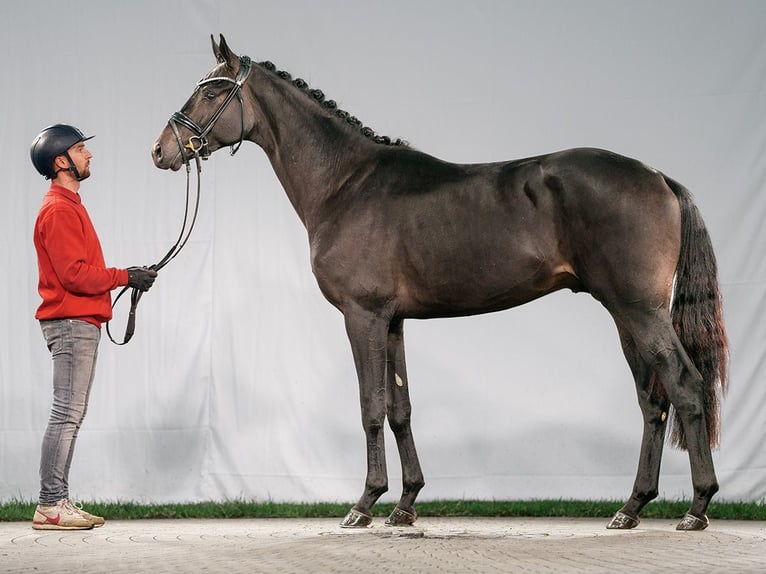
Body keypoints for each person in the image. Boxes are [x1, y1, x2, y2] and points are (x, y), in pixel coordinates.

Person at [29, 124, 158, 530]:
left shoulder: (69, 206)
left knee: (71, 412)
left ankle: (57, 500)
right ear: (61, 161)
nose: (89, 155)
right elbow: (73, 274)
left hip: (77, 321)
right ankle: (50, 504)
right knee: (66, 413)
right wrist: (125, 276)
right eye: (81, 149)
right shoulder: (60, 209)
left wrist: (125, 276)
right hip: (71, 322)